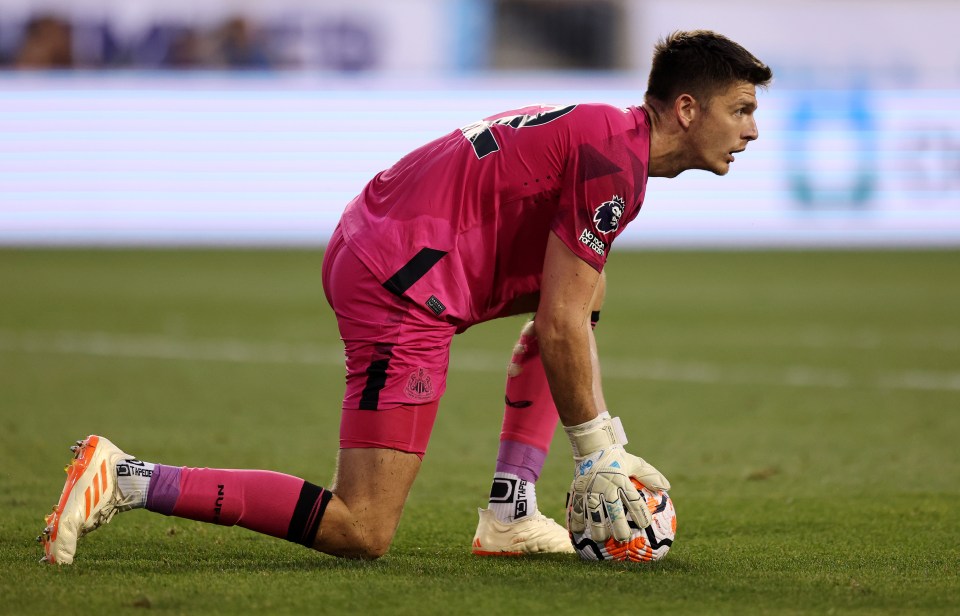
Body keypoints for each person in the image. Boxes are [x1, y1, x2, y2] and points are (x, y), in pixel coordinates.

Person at [38, 30, 772, 564]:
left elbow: (564, 311)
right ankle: (127, 477)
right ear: (684, 108)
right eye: (739, 109)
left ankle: (509, 512)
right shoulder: (615, 162)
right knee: (362, 528)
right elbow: (556, 323)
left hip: (393, 237)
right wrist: (597, 451)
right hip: (400, 281)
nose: (751, 131)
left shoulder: (610, 140)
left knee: (586, 293)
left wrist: (596, 440)